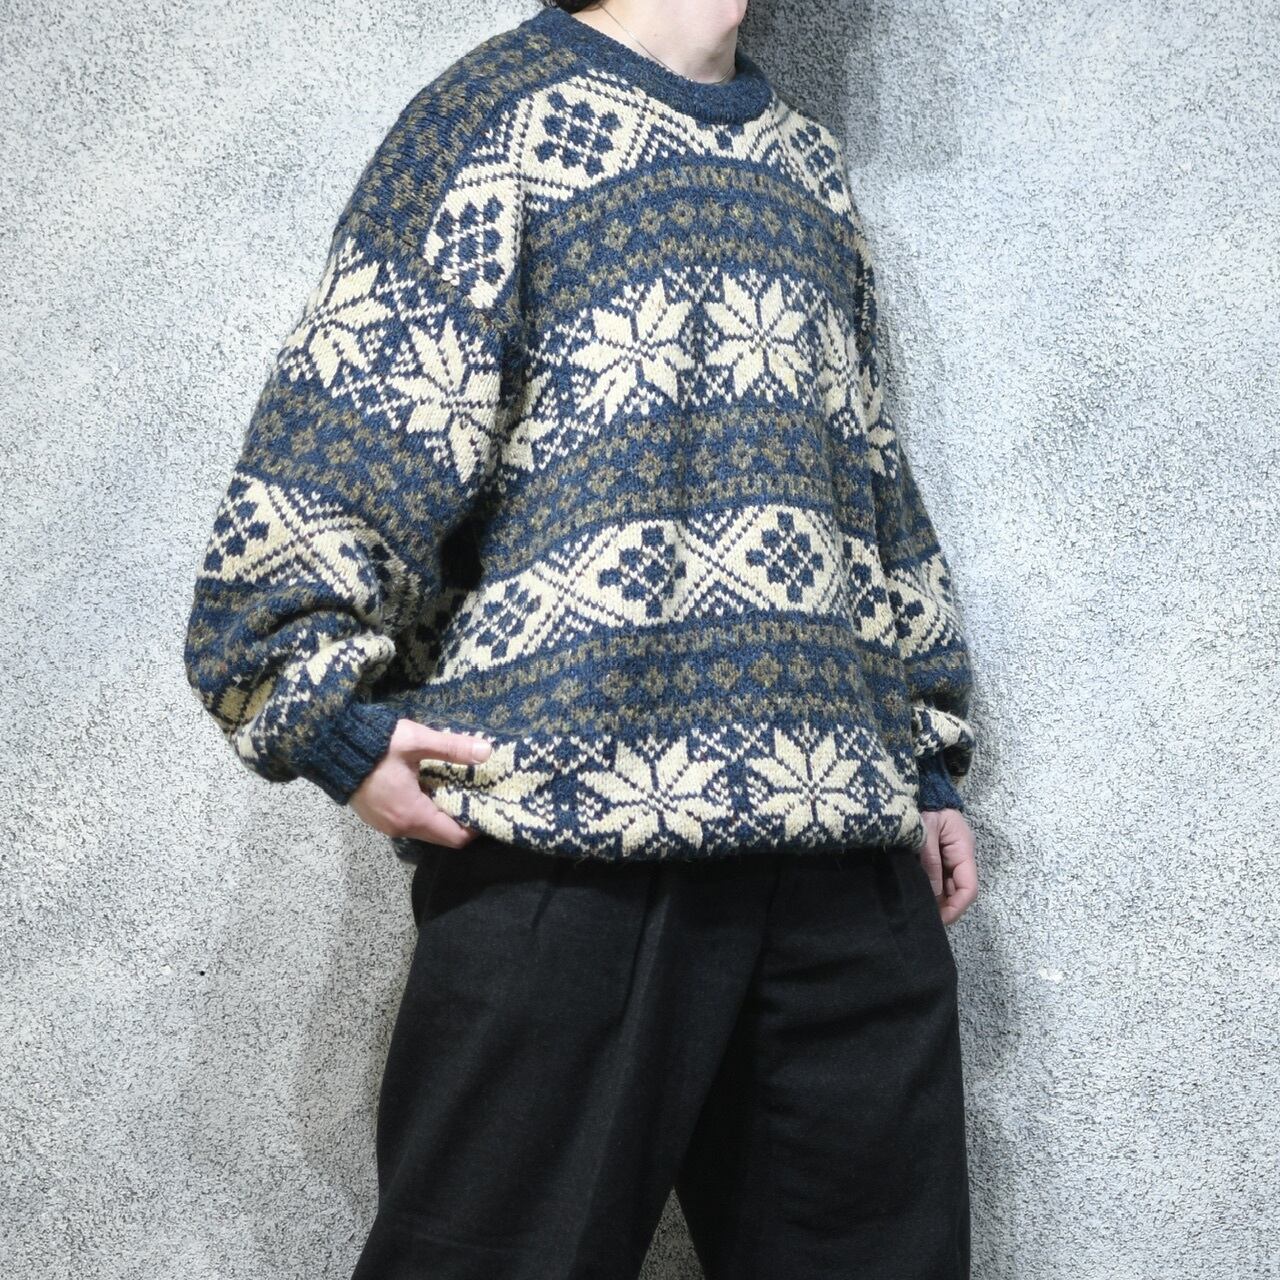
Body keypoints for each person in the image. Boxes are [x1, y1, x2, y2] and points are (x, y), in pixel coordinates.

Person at [182, 0, 981, 1275]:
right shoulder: (490, 120)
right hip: (569, 850)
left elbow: (867, 479)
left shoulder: (806, 166)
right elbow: (337, 442)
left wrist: (923, 753)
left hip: (842, 861)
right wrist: (322, 716)